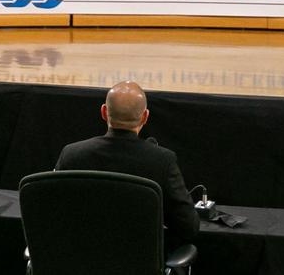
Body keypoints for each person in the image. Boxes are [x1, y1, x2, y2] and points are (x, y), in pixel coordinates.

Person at [56, 81, 200, 248]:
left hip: (77, 263)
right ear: (145, 117)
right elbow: (188, 228)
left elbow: (53, 215)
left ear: (104, 112)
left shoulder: (72, 155)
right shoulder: (162, 161)